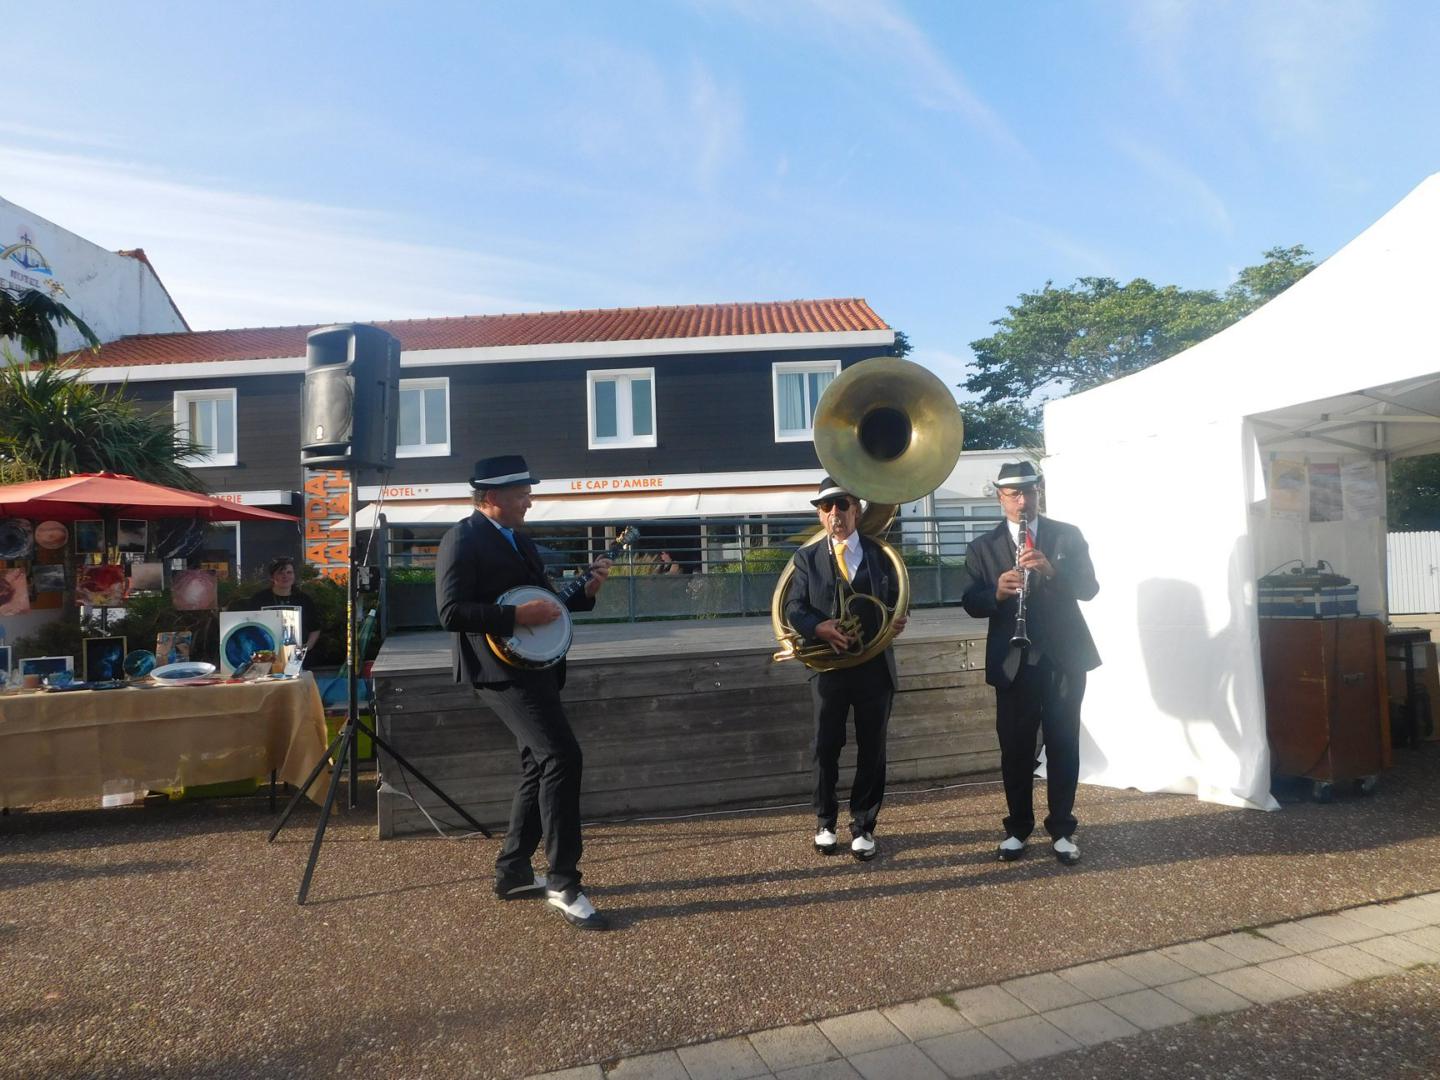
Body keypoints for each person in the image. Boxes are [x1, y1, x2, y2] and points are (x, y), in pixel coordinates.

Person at [435, 454, 613, 930]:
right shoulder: (462, 538)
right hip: (497, 671)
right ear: (492, 497)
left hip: (534, 668)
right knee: (562, 757)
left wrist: (588, 590)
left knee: (539, 763)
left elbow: (549, 603)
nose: (529, 502)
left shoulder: (519, 540)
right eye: (521, 495)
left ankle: (514, 870)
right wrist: (514, 617)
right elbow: (451, 612)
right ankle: (562, 881)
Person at [959, 462, 1100, 866]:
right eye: (1013, 493)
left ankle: (1062, 829)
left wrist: (1052, 570)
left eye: (1029, 491)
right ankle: (1017, 828)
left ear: (1039, 491)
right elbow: (970, 602)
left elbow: (1089, 588)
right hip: (1013, 660)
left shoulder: (1066, 536)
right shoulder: (981, 548)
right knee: (1016, 749)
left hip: (1063, 657)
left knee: (1063, 743)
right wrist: (996, 593)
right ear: (999, 496)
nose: (1022, 500)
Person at [784, 476, 906, 861]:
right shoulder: (806, 558)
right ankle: (825, 821)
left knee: (873, 749)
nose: (835, 513)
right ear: (820, 515)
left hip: (873, 666)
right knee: (825, 747)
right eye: (826, 507)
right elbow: (795, 607)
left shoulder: (880, 553)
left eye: (842, 504)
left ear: (856, 509)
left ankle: (863, 826)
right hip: (829, 667)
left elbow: (896, 600)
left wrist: (897, 619)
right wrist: (819, 627)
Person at [239, 556, 321, 659]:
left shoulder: (304, 599)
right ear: (272, 577)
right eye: (280, 573)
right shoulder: (259, 599)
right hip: (266, 654)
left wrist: (306, 648)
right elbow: (249, 625)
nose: (285, 576)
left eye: (289, 572)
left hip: (297, 657)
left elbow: (315, 628)